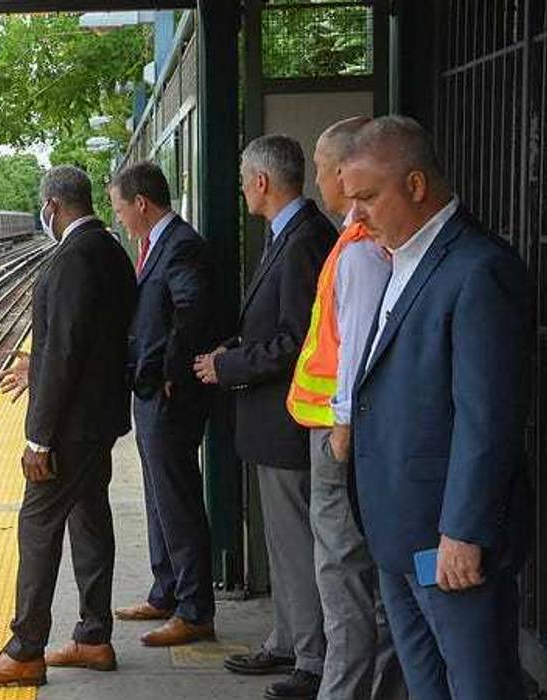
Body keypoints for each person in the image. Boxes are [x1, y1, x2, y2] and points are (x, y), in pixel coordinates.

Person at [342, 115, 531, 700]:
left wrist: (463, 531)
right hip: (399, 534)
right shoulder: (404, 256)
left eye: (368, 197)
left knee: (477, 685)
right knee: (425, 685)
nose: (356, 216)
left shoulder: (478, 269)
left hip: (448, 544)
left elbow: (488, 418)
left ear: (417, 185)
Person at [0, 165, 137, 686]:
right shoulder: (110, 252)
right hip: (100, 420)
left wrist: (39, 437)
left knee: (37, 527)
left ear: (53, 207)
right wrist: (34, 364)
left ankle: (25, 649)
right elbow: (90, 339)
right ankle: (94, 638)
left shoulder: (72, 259)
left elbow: (65, 350)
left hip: (71, 428)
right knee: (90, 521)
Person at [194, 134, 335, 700]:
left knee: (298, 542)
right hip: (272, 423)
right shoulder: (291, 235)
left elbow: (297, 341)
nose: (240, 190)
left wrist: (229, 367)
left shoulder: (302, 241)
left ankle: (312, 656)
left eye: (242, 179)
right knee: (284, 542)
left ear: (260, 182)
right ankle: (287, 637)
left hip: (286, 424)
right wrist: (231, 352)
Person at [286, 116, 407, 700]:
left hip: (340, 435)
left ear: (340, 172)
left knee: (342, 578)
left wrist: (341, 427)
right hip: (344, 432)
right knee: (361, 578)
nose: (315, 179)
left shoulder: (357, 254)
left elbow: (355, 347)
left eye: (317, 167)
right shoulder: (354, 246)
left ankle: (345, 692)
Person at [107, 162, 217, 647]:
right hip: (150, 392)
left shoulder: (181, 246)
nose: (120, 219)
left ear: (142, 204)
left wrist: (171, 375)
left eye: (120, 210)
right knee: (157, 495)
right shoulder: (158, 246)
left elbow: (192, 313)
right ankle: (166, 590)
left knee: (177, 499)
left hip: (168, 396)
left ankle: (194, 608)